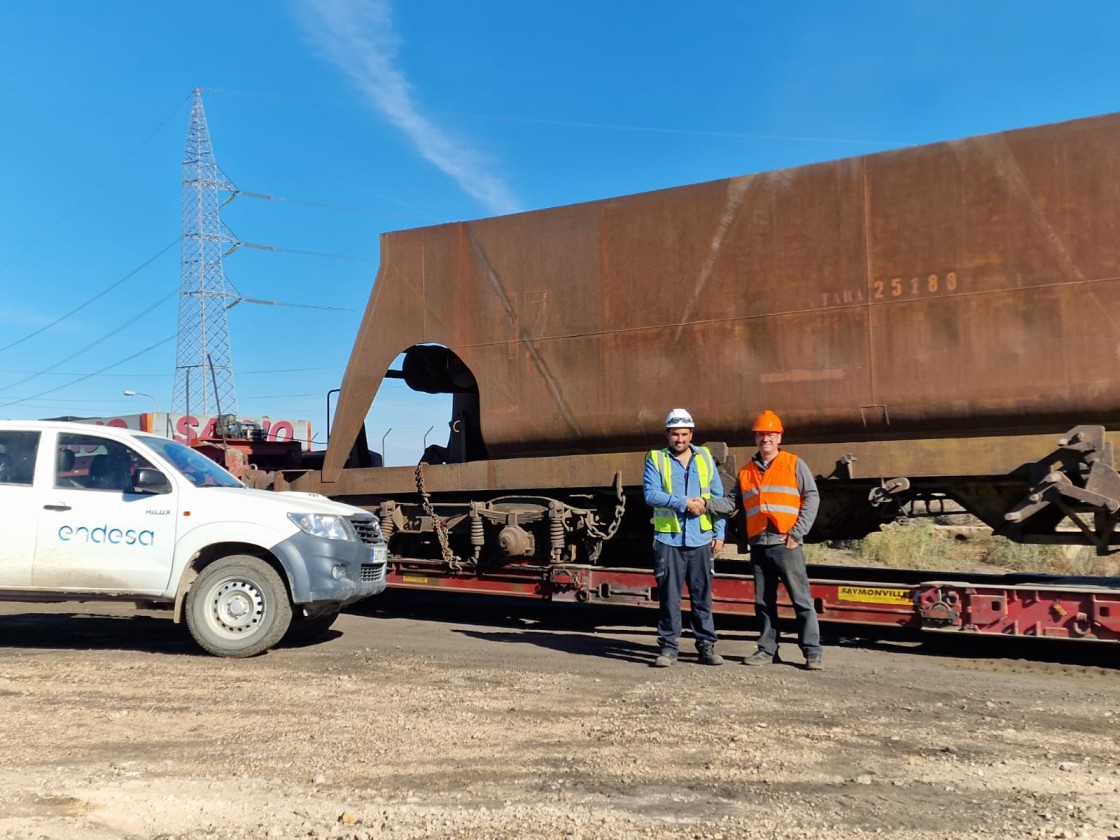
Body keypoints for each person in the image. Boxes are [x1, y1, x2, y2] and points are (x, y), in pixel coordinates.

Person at [704, 410, 823, 670]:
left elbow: (811, 496)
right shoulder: (746, 472)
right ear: (755, 439)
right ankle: (767, 650)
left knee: (801, 600)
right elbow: (732, 503)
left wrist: (797, 532)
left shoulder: (793, 463)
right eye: (760, 434)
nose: (765, 438)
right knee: (763, 602)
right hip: (759, 544)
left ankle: (812, 653)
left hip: (785, 542)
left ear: (779, 437)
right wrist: (704, 504)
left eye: (770, 434)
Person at [642, 408, 726, 667]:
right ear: (668, 434)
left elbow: (718, 498)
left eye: (684, 434)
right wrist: (684, 503)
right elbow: (650, 495)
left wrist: (720, 533)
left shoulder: (704, 458)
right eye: (675, 434)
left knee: (702, 596)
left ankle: (706, 646)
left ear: (692, 434)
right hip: (669, 539)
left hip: (700, 538)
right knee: (669, 597)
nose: (680, 439)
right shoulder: (656, 459)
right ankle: (668, 648)